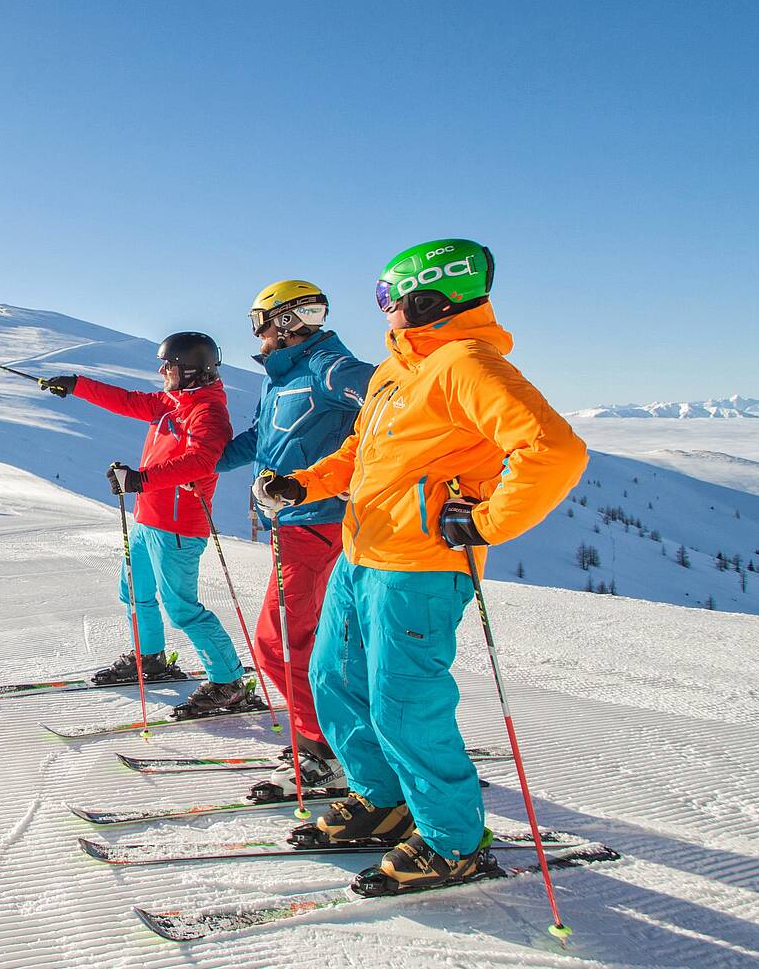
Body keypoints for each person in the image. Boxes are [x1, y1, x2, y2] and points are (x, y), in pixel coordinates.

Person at [255, 239, 587, 892]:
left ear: (429, 296)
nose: (382, 310)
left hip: (422, 566)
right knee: (333, 680)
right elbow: (362, 450)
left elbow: (555, 449)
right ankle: (382, 802)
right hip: (361, 552)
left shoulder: (467, 364)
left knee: (404, 703)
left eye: (389, 296)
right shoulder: (395, 371)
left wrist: (487, 521)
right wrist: (305, 484)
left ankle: (452, 840)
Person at [41, 333, 256, 719]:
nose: (161, 371)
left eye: (167, 365)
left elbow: (203, 460)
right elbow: (125, 401)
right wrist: (76, 385)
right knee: (134, 592)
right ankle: (150, 659)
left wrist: (140, 480)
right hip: (147, 519)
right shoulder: (171, 402)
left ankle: (229, 684)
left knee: (182, 608)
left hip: (178, 527)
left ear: (188, 371)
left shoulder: (207, 413)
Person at [215, 280, 374, 801]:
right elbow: (260, 440)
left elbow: (389, 402)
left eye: (259, 320)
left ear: (281, 323)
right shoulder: (282, 378)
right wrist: (199, 466)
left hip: (319, 524)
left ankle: (322, 751)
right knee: (307, 640)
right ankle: (333, 736)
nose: (257, 332)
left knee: (280, 641)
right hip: (295, 524)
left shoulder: (328, 367)